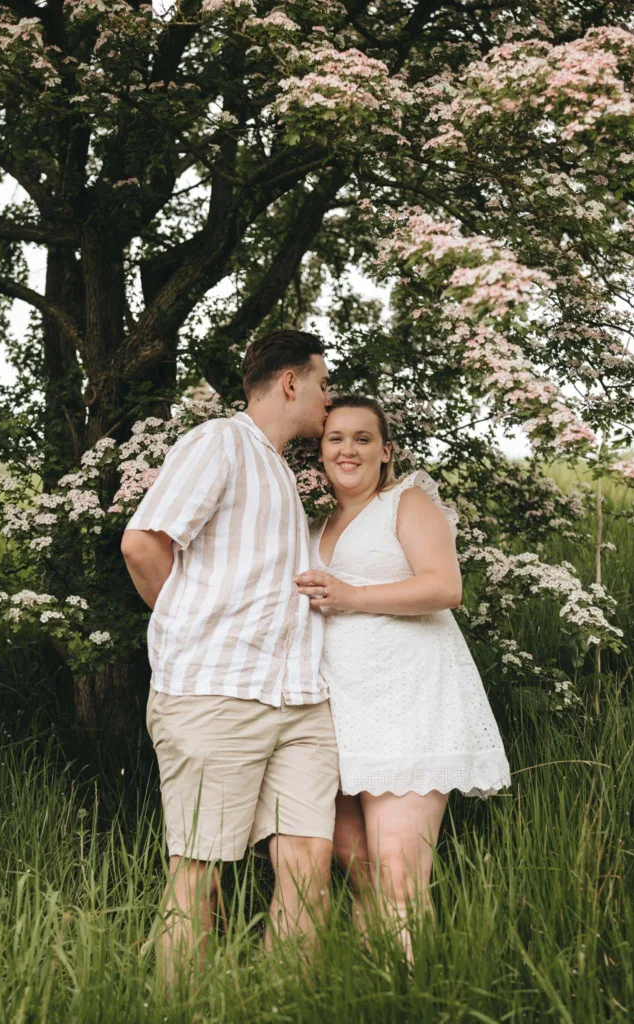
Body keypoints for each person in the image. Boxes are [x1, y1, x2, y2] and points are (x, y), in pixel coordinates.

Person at [121, 329, 338, 981]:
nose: (329, 399)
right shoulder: (219, 442)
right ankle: (184, 1008)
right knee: (199, 877)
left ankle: (285, 1002)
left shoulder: (278, 468)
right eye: (323, 384)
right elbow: (143, 545)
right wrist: (189, 630)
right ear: (290, 382)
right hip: (218, 696)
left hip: (301, 702)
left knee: (306, 868)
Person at [294, 394, 511, 961]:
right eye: (336, 437)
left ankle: (410, 997)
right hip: (342, 709)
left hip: (410, 699)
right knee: (358, 864)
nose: (348, 449)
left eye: (363, 438)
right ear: (321, 450)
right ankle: (378, 988)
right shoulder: (316, 522)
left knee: (398, 873)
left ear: (385, 451)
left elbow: (445, 586)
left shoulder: (406, 502)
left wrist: (351, 595)